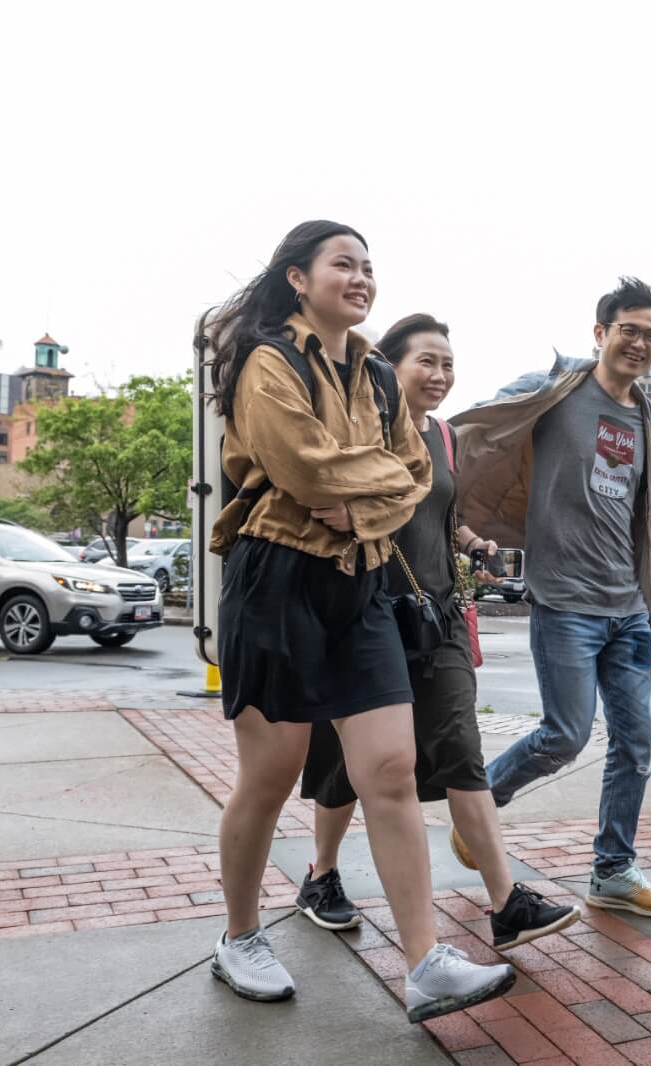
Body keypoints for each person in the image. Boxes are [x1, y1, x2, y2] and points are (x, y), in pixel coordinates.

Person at [203, 221, 514, 1021]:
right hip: (276, 580)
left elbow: (415, 473)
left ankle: (425, 963)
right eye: (344, 263)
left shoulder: (377, 377)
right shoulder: (269, 361)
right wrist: (341, 490)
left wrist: (356, 501)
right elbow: (302, 468)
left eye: (369, 266)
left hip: (363, 581)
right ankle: (239, 936)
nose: (362, 276)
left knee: (391, 772)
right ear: (299, 279)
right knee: (271, 779)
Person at [295, 313, 582, 949]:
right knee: (351, 761)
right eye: (426, 360)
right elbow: (325, 506)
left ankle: (506, 902)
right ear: (387, 367)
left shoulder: (446, 437)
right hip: (367, 617)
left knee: (461, 749)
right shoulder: (360, 432)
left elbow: (442, 514)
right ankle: (322, 873)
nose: (441, 374)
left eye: (448, 364)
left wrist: (474, 541)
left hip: (438, 616)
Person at [450, 277, 651, 918]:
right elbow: (466, 435)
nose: (639, 343)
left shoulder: (649, 420)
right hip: (565, 601)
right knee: (564, 735)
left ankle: (612, 871)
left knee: (635, 744)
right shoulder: (553, 390)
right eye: (628, 330)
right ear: (601, 333)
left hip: (627, 607)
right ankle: (480, 807)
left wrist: (648, 596)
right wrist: (456, 524)